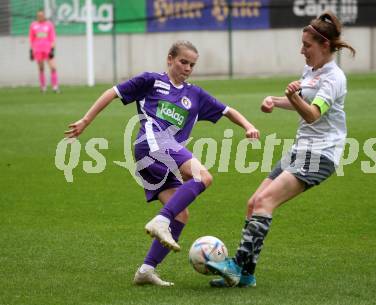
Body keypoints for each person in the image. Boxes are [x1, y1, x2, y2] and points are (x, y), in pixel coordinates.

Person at [65, 41, 260, 286]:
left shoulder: (195, 94)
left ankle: (146, 270)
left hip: (160, 156)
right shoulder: (151, 80)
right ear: (170, 59)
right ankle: (161, 220)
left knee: (181, 215)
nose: (187, 68)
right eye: (183, 62)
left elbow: (228, 110)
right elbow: (113, 92)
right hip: (151, 142)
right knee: (204, 177)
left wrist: (248, 126)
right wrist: (86, 120)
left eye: (192, 64)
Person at [206, 10, 356, 288]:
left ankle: (236, 266)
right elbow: (301, 101)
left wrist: (291, 96)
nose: (302, 51)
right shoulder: (312, 70)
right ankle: (247, 275)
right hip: (302, 150)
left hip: (320, 155)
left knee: (265, 203)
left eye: (307, 46)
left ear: (325, 45)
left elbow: (312, 113)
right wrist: (276, 101)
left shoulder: (334, 78)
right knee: (254, 203)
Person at [29, 9, 59, 93]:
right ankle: (43, 87)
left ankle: (55, 87)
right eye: (39, 16)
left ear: (44, 16)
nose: (40, 17)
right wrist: (31, 50)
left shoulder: (49, 25)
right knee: (41, 68)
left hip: (48, 49)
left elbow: (52, 38)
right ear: (37, 16)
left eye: (42, 15)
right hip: (38, 50)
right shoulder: (33, 25)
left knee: (53, 67)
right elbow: (31, 38)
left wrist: (52, 49)